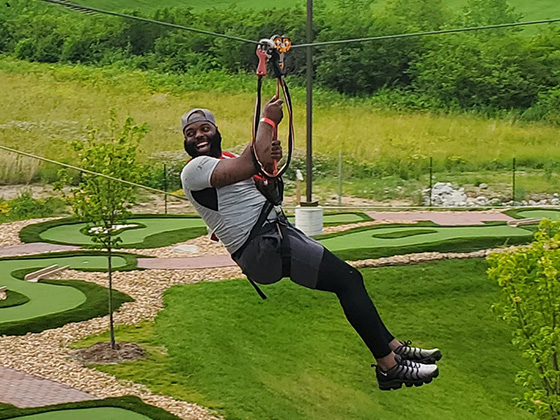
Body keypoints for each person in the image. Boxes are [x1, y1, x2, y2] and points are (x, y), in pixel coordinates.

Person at [180, 98, 442, 391]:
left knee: (352, 280)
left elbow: (268, 189)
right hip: (263, 247)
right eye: (191, 134)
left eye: (205, 129)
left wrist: (268, 178)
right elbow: (250, 162)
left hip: (274, 236)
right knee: (348, 282)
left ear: (216, 132)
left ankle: (392, 348)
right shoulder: (194, 170)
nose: (199, 136)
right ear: (186, 144)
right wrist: (268, 120)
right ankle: (388, 366)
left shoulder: (225, 158)